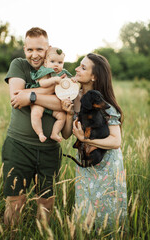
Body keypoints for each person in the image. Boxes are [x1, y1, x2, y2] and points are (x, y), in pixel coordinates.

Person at [2, 27, 65, 225]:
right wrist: (53, 94)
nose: (34, 55)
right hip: (18, 145)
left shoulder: (58, 69)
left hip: (49, 150)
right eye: (30, 50)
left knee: (46, 201)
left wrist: (31, 96)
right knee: (15, 200)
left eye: (40, 49)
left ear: (48, 48)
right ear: (24, 49)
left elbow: (66, 103)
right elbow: (16, 98)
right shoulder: (19, 65)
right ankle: (11, 235)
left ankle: (43, 234)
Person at [61, 53, 127, 230]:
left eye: (83, 67)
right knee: (85, 215)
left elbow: (115, 141)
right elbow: (67, 135)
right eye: (79, 65)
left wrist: (85, 139)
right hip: (86, 163)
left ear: (94, 76)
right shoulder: (73, 97)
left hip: (107, 164)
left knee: (109, 215)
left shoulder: (104, 104)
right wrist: (68, 115)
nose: (76, 69)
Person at [26, 47, 72, 143]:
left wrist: (73, 80)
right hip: (40, 100)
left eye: (60, 63)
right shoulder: (45, 71)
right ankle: (40, 133)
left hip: (52, 103)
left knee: (62, 117)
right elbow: (42, 84)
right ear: (46, 62)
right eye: (52, 61)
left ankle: (54, 133)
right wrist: (54, 80)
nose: (56, 65)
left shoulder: (62, 73)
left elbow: (69, 82)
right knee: (36, 114)